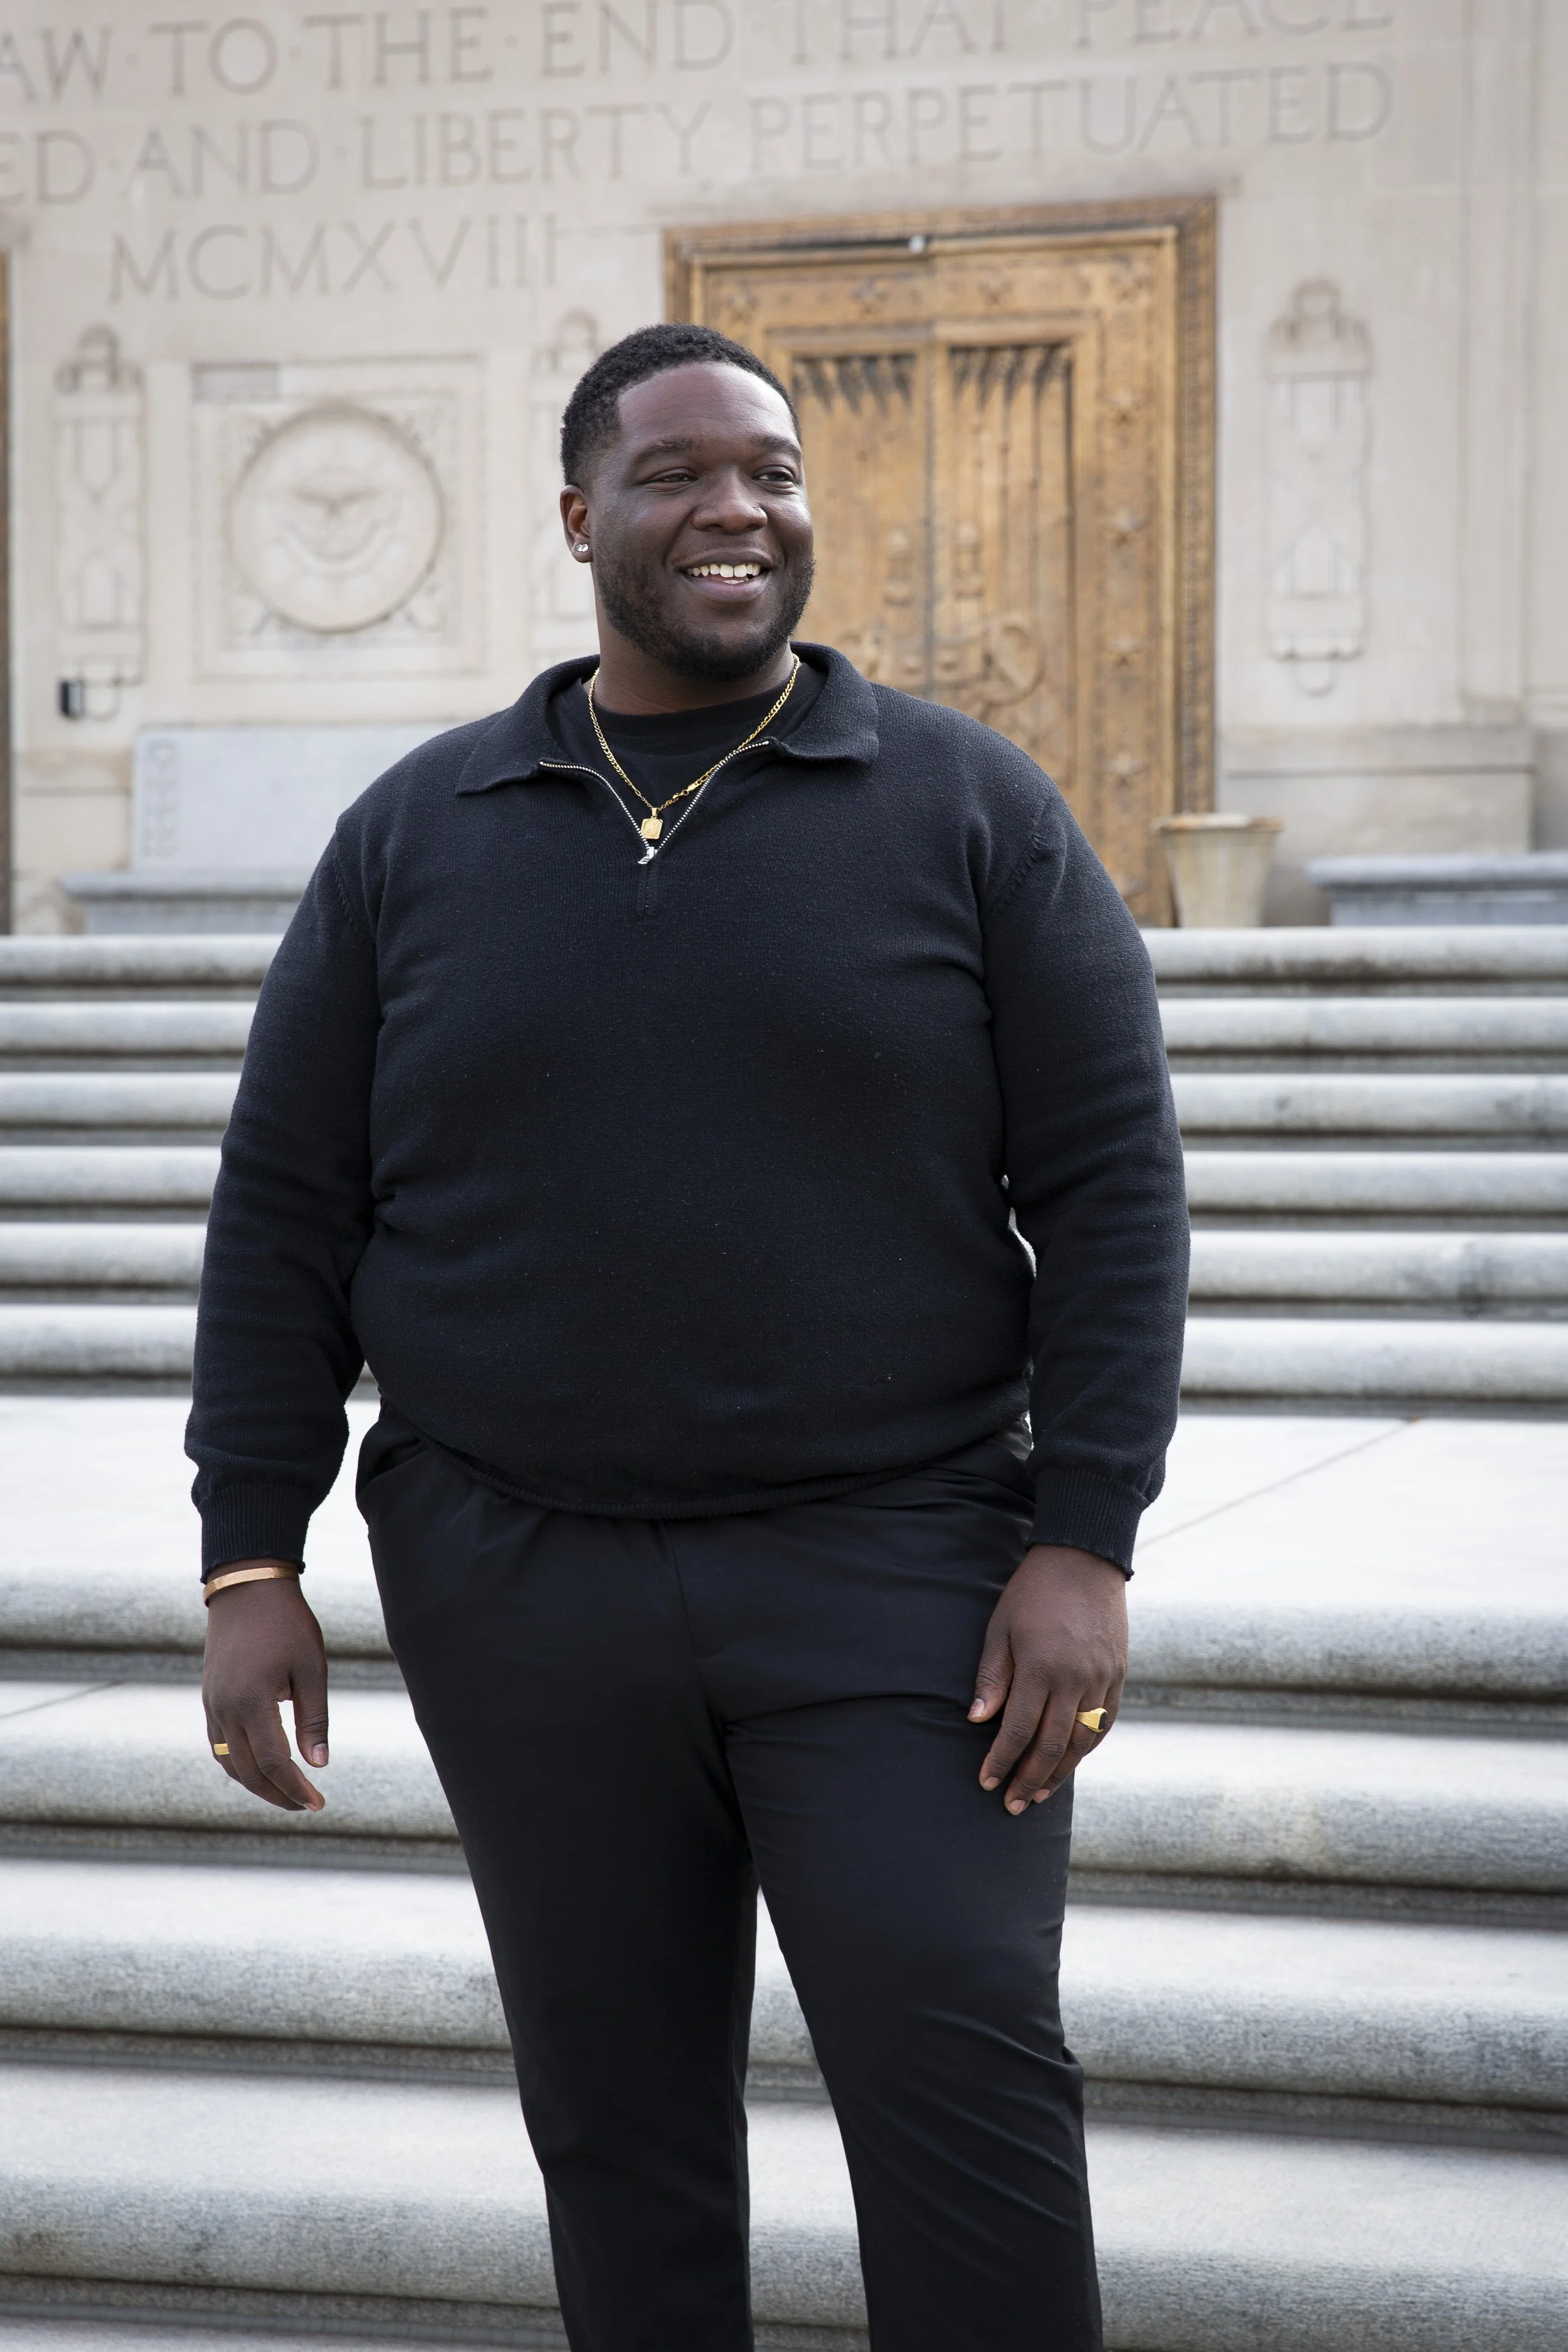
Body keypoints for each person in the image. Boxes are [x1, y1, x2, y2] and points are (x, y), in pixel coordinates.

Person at [191, 322, 1188, 2352]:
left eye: (774, 471)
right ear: (579, 520)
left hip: (898, 1576)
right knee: (619, 2122)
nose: (737, 505)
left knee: (962, 2084)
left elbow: (1110, 1183)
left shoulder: (967, 809)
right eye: (676, 473)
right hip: (516, 1572)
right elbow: (286, 1205)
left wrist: (1085, 1534)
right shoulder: (416, 835)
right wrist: (249, 1551)